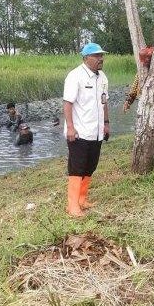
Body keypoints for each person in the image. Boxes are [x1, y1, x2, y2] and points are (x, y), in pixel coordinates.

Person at [62, 42, 110, 217]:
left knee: (91, 165)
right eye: (97, 56)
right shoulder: (75, 76)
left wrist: (106, 123)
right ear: (86, 58)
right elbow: (67, 103)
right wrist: (71, 128)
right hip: (79, 131)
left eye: (102, 55)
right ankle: (72, 205)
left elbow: (104, 102)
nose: (101, 58)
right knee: (77, 167)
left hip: (96, 131)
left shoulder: (103, 77)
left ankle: (82, 199)